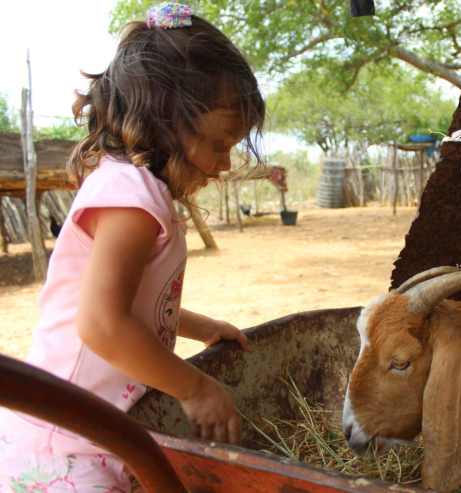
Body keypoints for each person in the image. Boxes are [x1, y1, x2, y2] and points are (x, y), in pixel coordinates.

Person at [0, 3, 265, 491]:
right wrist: (195, 387)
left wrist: (199, 325)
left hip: (102, 431)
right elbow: (102, 324)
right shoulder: (129, 198)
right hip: (70, 442)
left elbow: (130, 305)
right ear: (167, 123)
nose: (224, 164)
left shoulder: (141, 194)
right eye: (220, 144)